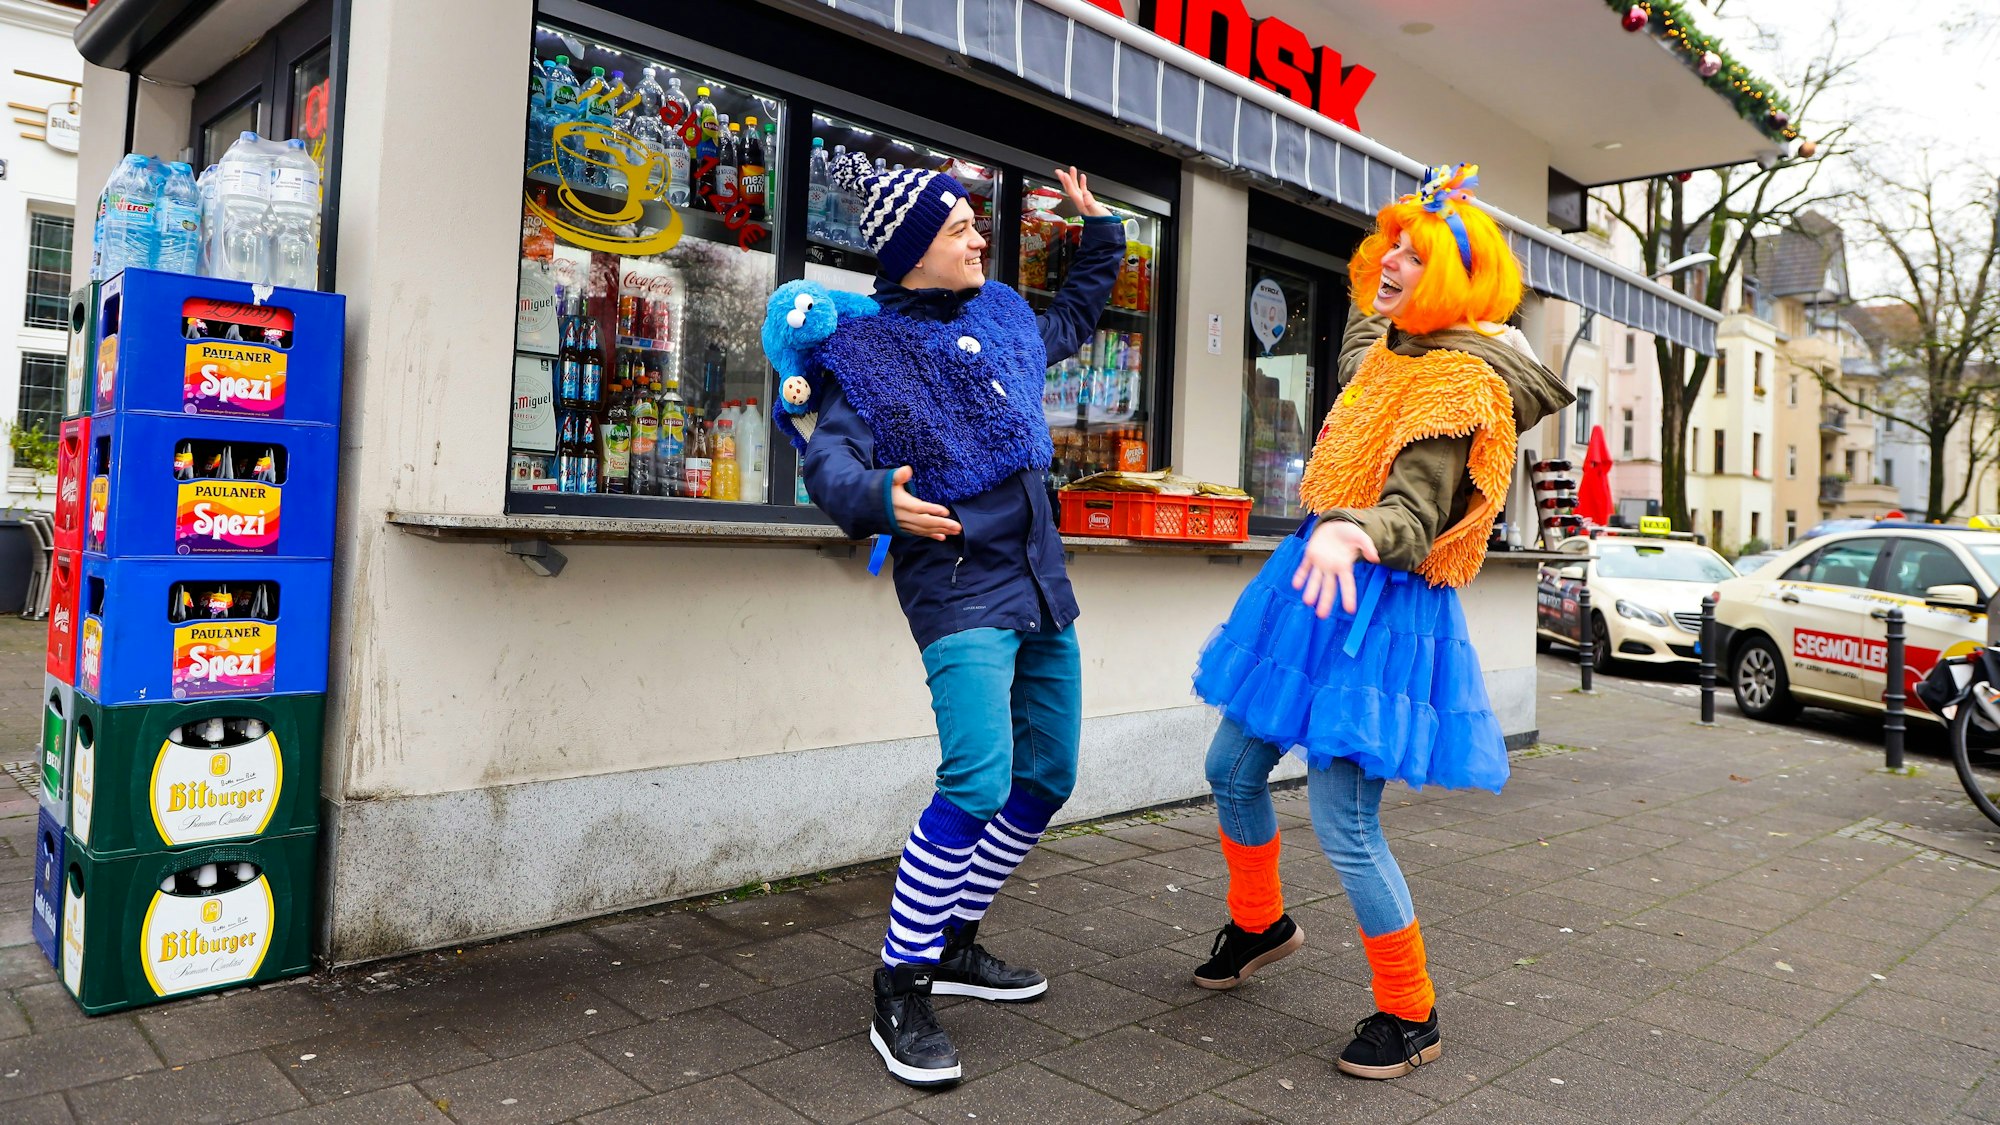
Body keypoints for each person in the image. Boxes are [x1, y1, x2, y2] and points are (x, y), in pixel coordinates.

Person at [1188, 164, 1574, 1079]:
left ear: (1451, 281)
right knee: (1230, 769)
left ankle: (1412, 1012)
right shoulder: (1394, 353)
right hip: (1312, 591)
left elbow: (1414, 515)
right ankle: (1260, 924)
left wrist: (1350, 533)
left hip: (1378, 608)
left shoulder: (1457, 387)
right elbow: (1366, 322)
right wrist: (1406, 225)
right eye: (1387, 246)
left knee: (1343, 819)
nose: (1388, 262)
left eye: (1412, 254)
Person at [789, 159, 1124, 1088]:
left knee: (1047, 773)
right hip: (960, 587)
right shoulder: (867, 353)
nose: (980, 238)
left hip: (1040, 582)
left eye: (975, 226)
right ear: (910, 254)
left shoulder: (1005, 317)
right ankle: (899, 985)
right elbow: (832, 461)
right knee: (978, 778)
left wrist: (1101, 237)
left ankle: (952, 942)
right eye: (959, 229)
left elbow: (1073, 320)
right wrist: (876, 501)